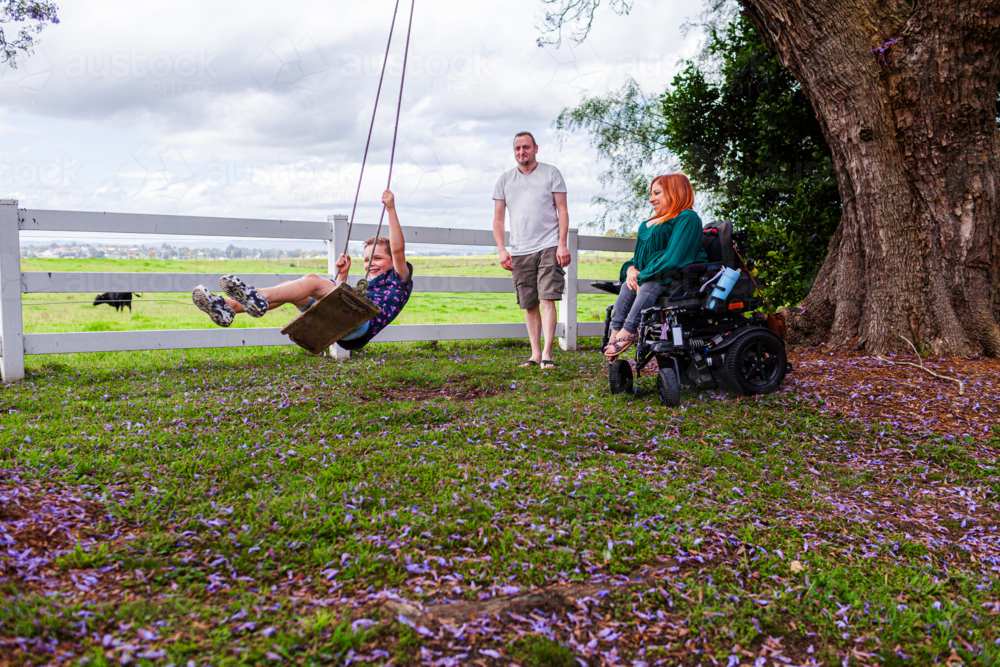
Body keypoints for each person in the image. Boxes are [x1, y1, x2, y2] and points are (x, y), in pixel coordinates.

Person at [192, 189, 413, 350]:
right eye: (366, 260)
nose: (370, 264)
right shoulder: (371, 287)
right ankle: (227, 307)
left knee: (312, 281)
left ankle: (257, 296)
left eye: (378, 258)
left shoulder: (399, 279)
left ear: (393, 261)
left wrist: (391, 209)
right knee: (290, 289)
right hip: (345, 324)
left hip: (358, 325)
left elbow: (397, 249)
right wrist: (342, 275)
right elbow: (340, 300)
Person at [604, 174, 707, 360]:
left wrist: (643, 276)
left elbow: (673, 259)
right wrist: (631, 271)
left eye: (657, 193)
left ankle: (629, 329)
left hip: (676, 278)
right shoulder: (649, 224)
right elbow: (638, 259)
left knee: (648, 284)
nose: (651, 199)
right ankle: (617, 329)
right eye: (651, 194)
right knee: (629, 285)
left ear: (676, 192)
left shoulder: (687, 217)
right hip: (653, 274)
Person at [492, 131, 571, 369]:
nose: (521, 152)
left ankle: (547, 354)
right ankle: (535, 354)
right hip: (519, 249)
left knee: (548, 298)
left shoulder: (551, 173)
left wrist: (562, 243)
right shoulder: (505, 180)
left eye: (526, 147)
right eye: (517, 149)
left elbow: (563, 211)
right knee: (529, 303)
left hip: (548, 245)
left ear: (535, 148)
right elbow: (497, 220)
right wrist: (502, 250)